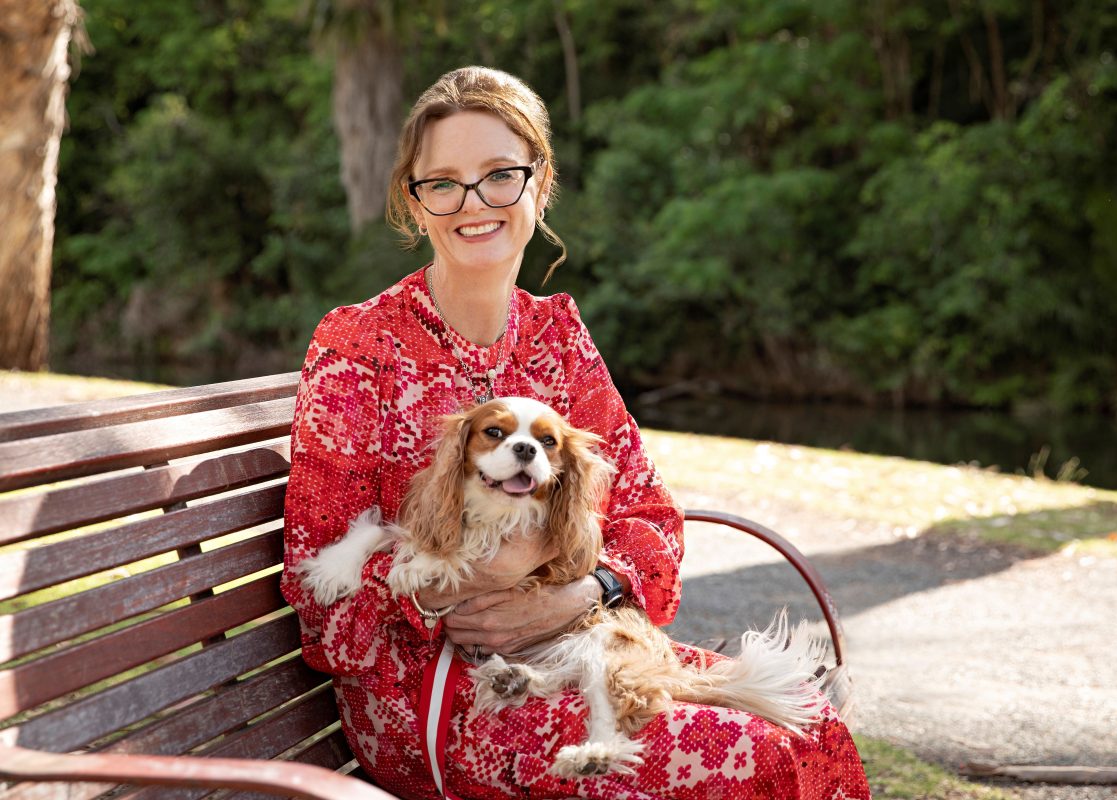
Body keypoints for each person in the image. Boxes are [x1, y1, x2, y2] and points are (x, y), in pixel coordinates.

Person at [280, 65, 869, 800]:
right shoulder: (358, 345)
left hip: (581, 650)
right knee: (757, 757)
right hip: (428, 701)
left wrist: (579, 591)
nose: (474, 203)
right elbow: (322, 608)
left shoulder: (557, 336)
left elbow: (652, 523)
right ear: (416, 201)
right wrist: (454, 585)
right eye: (444, 182)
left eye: (500, 174)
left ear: (541, 183)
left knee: (815, 730)